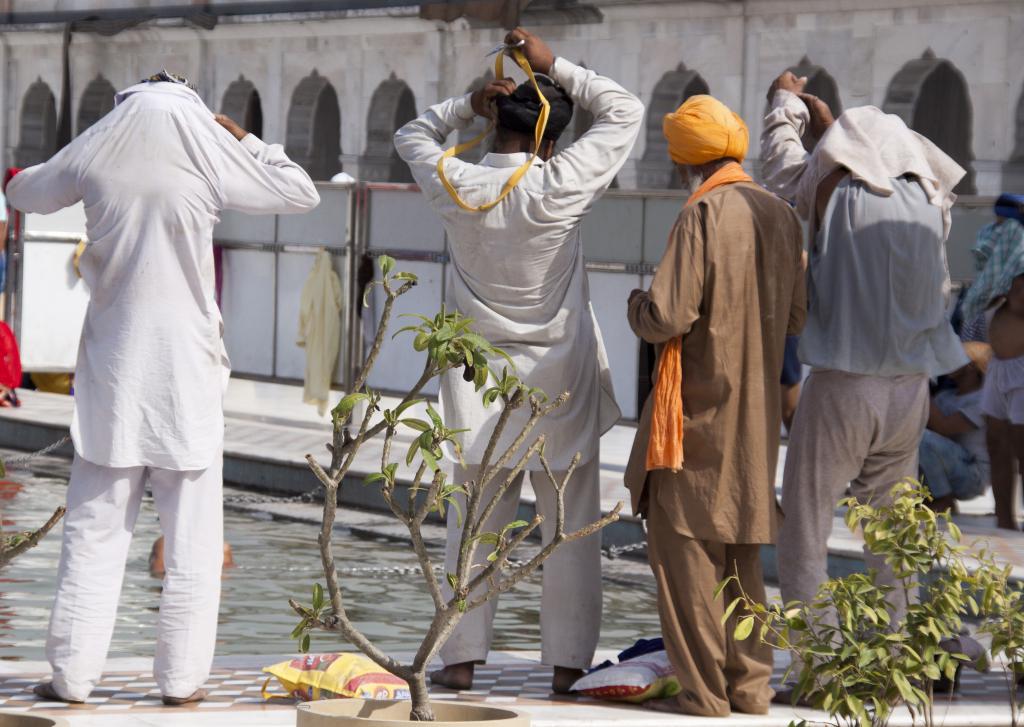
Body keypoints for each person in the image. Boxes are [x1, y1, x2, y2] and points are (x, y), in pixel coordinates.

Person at [6, 69, 319, 706]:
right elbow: (300, 191)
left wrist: (76, 151)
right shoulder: (206, 144)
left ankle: (72, 679)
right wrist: (247, 141)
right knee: (194, 539)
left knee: (93, 532)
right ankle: (181, 683)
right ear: (192, 103)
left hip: (115, 366)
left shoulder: (102, 138)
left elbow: (26, 191)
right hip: (187, 368)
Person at [394, 28, 642, 693]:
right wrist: (553, 63)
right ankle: (567, 667)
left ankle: (459, 658)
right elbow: (627, 111)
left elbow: (410, 136)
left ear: (496, 123)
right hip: (560, 381)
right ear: (550, 141)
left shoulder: (459, 184)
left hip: (479, 384)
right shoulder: (559, 183)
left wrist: (464, 106)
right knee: (569, 530)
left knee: (474, 526)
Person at [760, 71, 968, 667]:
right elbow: (869, 162)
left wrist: (784, 105)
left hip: (844, 387)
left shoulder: (834, 194)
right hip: (910, 393)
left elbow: (781, 172)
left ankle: (818, 663)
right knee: (891, 534)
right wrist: (835, 131)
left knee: (806, 526)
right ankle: (891, 657)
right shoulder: (931, 200)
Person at [624, 94, 806, 716]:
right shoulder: (780, 213)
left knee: (684, 556)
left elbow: (668, 315)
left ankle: (705, 696)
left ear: (684, 160)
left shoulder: (701, 213)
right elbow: (797, 315)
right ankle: (751, 690)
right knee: (740, 557)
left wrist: (635, 307)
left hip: (696, 414)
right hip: (754, 417)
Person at [919, 342, 992, 512]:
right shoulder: (945, 396)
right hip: (952, 469)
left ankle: (943, 500)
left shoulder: (983, 400)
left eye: (954, 356)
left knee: (921, 438)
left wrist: (920, 383)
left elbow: (942, 427)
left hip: (973, 477)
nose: (947, 360)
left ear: (972, 366)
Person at [984, 270, 1024, 529]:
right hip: (997, 368)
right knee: (996, 445)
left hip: (1022, 370)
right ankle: (1004, 518)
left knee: (1022, 447)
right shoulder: (1001, 276)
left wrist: (1013, 287)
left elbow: (1019, 306)